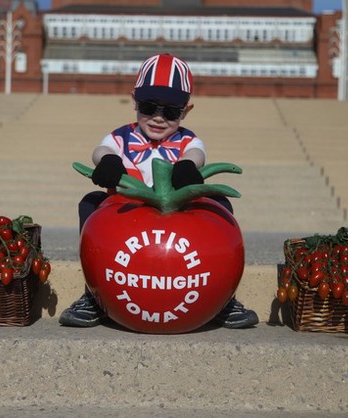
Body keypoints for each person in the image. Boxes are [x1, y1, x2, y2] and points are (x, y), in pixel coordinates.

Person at [59, 53, 259, 329]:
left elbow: (196, 154)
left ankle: (222, 297)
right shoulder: (122, 136)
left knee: (220, 205)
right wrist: (107, 160)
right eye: (149, 106)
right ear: (134, 101)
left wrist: (187, 166)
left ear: (186, 110)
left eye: (170, 111)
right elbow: (102, 149)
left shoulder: (187, 139)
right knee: (90, 203)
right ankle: (95, 294)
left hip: (178, 217)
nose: (158, 118)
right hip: (122, 215)